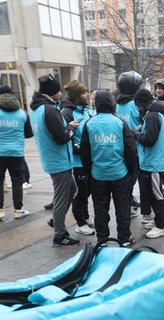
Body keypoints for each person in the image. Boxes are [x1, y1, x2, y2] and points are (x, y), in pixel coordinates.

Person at [80, 89, 137, 247]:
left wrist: (89, 171)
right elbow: (130, 149)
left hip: (98, 175)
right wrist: (131, 171)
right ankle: (124, 238)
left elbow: (85, 152)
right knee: (122, 207)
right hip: (119, 173)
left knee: (100, 208)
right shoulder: (119, 122)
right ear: (112, 103)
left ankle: (102, 239)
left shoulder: (89, 124)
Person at [30, 74, 80, 246]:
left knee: (71, 189)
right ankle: (60, 234)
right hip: (59, 160)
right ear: (53, 92)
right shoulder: (49, 110)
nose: (61, 93)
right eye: (59, 90)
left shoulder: (37, 108)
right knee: (61, 196)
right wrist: (71, 128)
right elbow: (61, 137)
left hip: (51, 157)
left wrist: (66, 128)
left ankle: (56, 221)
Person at [0, 84, 33, 221]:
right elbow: (29, 133)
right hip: (16, 152)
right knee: (17, 181)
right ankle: (18, 210)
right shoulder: (22, 113)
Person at [133, 87, 164, 238]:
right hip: (157, 159)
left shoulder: (152, 115)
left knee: (156, 193)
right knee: (153, 192)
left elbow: (149, 140)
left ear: (142, 104)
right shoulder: (162, 112)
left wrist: (136, 134)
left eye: (137, 106)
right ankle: (157, 221)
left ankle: (161, 225)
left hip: (153, 161)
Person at [61, 79, 95, 236]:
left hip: (88, 159)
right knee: (81, 192)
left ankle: (85, 218)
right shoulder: (67, 113)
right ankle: (80, 223)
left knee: (87, 191)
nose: (86, 95)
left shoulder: (85, 110)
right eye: (83, 93)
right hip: (77, 161)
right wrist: (79, 149)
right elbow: (68, 135)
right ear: (76, 96)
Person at [115, 71, 143, 217]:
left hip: (121, 146)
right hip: (135, 146)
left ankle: (128, 200)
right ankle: (126, 204)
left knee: (126, 177)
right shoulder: (135, 104)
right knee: (131, 178)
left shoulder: (119, 103)